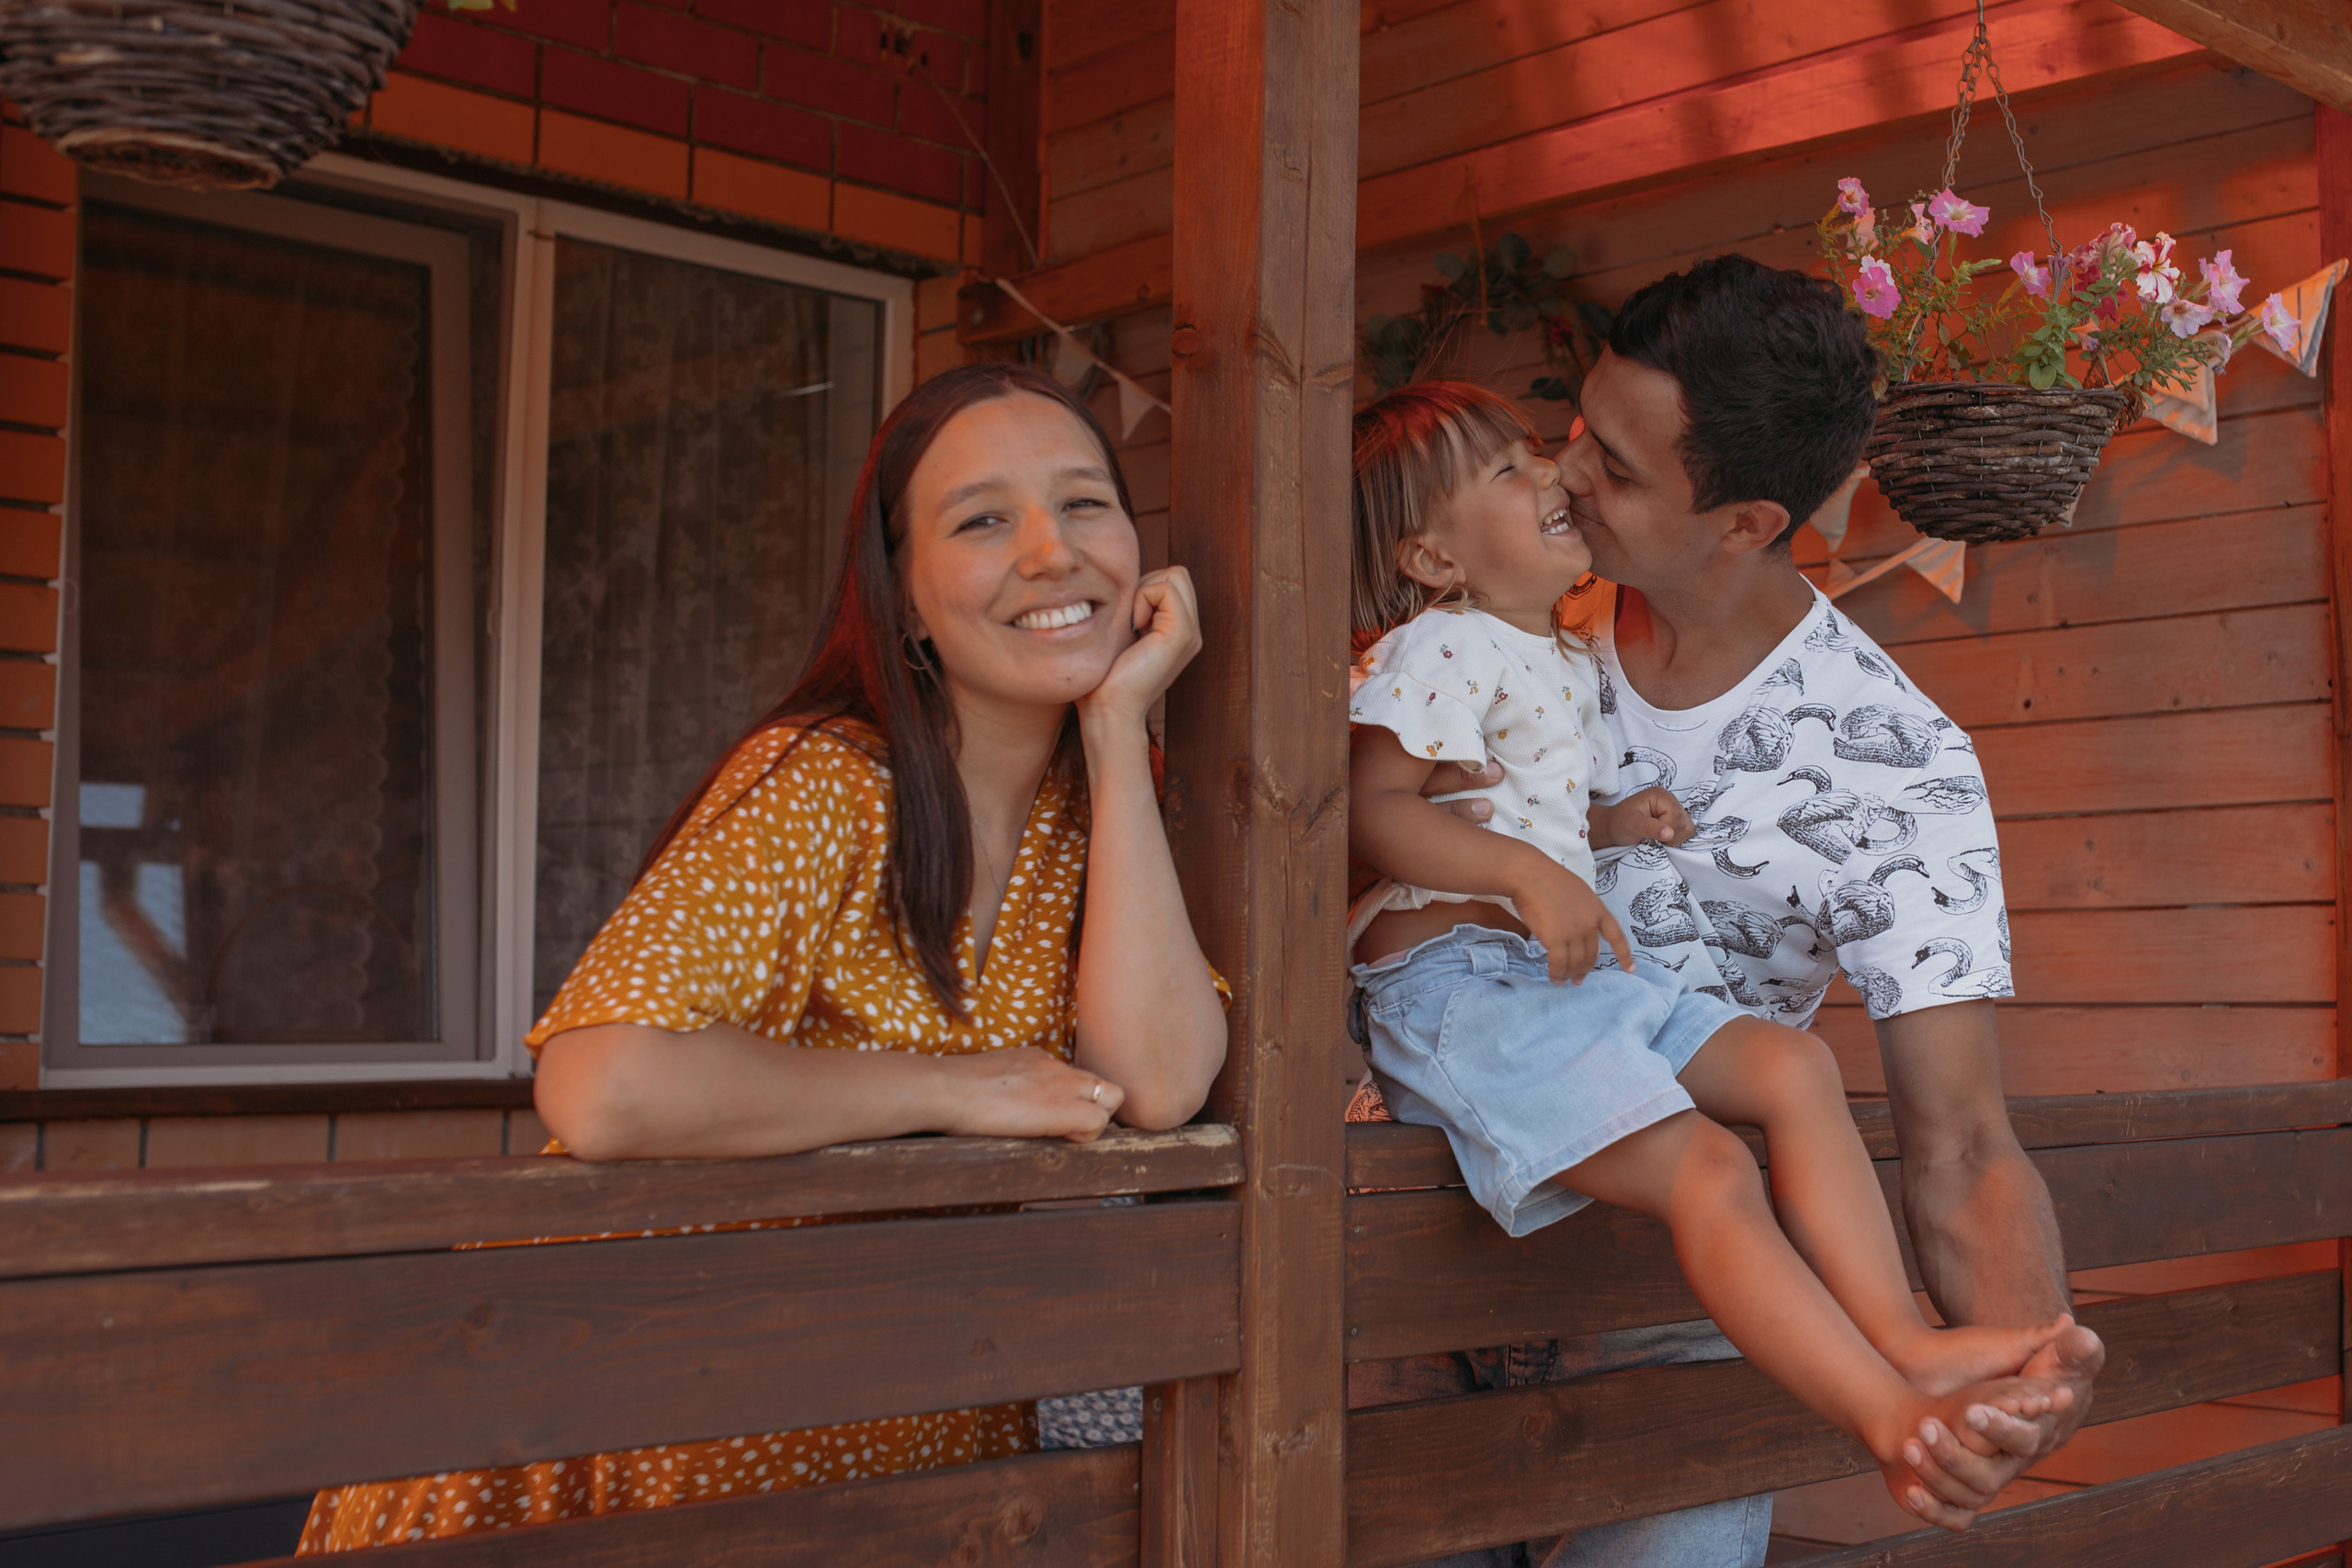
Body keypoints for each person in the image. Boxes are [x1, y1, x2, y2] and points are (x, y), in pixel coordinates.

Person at [299, 361, 1229, 1551]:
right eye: (984, 519)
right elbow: (607, 1083)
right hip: (633, 1400)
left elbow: (1154, 1083)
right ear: (900, 596)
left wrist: (1113, 730)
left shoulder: (1107, 814)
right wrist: (957, 1089)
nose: (1053, 552)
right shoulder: (832, 781)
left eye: (1086, 502)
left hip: (895, 1412)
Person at [1357, 257, 2107, 1568]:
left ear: (1748, 522)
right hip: (1408, 1264)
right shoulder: (1497, 609)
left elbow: (1963, 1143)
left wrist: (2016, 1385)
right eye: (1577, 426)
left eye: (1622, 469)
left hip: (1675, 1310)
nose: (1568, 474)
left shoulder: (1894, 762)